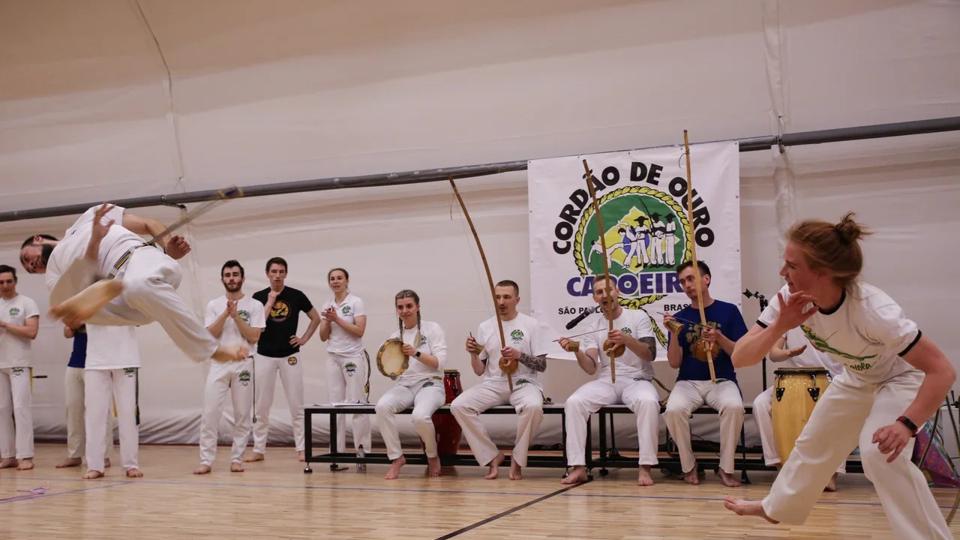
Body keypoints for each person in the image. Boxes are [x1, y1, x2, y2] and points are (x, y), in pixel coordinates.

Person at [723, 213, 954, 539]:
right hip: (858, 377)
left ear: (823, 272)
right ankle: (777, 508)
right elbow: (740, 356)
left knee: (879, 455)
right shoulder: (789, 299)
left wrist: (906, 424)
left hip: (900, 379)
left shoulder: (873, 310)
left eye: (792, 265)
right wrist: (780, 326)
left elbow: (942, 371)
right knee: (814, 442)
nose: (782, 272)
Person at [18, 203, 247, 363]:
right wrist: (95, 240)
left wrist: (168, 247)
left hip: (137, 259)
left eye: (27, 258)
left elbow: (149, 224)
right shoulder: (53, 273)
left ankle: (210, 349)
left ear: (37, 239)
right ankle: (96, 296)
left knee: (138, 286)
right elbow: (84, 273)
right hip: (122, 301)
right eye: (29, 269)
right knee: (66, 304)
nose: (31, 265)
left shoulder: (90, 216)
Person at [558, 275, 659, 486]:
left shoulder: (638, 316)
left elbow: (650, 354)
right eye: (599, 292)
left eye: (608, 290)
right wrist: (576, 351)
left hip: (637, 379)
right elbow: (590, 367)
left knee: (648, 402)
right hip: (607, 381)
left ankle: (645, 466)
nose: (605, 295)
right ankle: (578, 467)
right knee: (574, 402)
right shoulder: (593, 325)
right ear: (595, 298)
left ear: (617, 291)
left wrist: (626, 339)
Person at [662, 260, 747, 487]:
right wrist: (673, 334)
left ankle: (725, 468)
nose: (687, 285)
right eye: (682, 282)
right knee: (673, 410)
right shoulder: (678, 318)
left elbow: (740, 353)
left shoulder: (729, 311)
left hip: (721, 380)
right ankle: (689, 466)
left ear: (706, 279)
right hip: (688, 382)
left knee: (734, 407)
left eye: (691, 279)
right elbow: (674, 362)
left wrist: (720, 338)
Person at [451, 280, 547, 480]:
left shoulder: (531, 324)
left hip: (523, 382)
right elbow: (479, 370)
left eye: (507, 297)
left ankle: (518, 459)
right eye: (497, 297)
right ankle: (492, 456)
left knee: (533, 407)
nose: (501, 302)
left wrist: (519, 355)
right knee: (459, 405)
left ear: (517, 300)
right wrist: (473, 354)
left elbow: (541, 365)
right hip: (494, 383)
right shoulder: (485, 326)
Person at [752, 327, 845, 491]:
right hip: (794, 381)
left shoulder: (833, 318)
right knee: (761, 404)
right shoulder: (791, 319)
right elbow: (773, 354)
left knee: (841, 409)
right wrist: (788, 353)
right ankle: (780, 464)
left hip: (831, 379)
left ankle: (832, 474)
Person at [248, 257, 321, 462]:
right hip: (264, 355)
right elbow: (257, 325)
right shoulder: (258, 297)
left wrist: (303, 339)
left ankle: (302, 448)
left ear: (286, 273)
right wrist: (270, 301)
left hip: (290, 356)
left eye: (281, 271)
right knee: (262, 405)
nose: (277, 275)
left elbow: (316, 318)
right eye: (274, 271)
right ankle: (258, 449)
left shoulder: (296, 295)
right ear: (267, 274)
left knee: (297, 405)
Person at [195, 260, 265, 475]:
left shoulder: (255, 305)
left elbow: (254, 337)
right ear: (222, 279)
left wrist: (236, 317)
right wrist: (226, 314)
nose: (232, 278)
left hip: (244, 363)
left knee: (242, 414)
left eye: (235, 274)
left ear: (242, 278)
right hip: (219, 363)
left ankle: (237, 458)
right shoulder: (214, 305)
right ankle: (206, 460)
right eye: (228, 275)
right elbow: (210, 335)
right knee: (210, 413)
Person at [374, 290, 447, 480]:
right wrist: (389, 368)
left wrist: (416, 353)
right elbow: (393, 371)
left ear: (418, 307)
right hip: (405, 385)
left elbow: (439, 363)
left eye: (409, 306)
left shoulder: (432, 329)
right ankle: (396, 458)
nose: (405, 310)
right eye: (400, 307)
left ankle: (432, 456)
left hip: (430, 384)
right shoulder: (394, 337)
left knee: (420, 416)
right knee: (382, 407)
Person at [318, 268, 372, 462]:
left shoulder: (356, 302)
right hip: (333, 357)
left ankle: (362, 452)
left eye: (339, 278)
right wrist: (327, 321)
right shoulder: (328, 304)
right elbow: (323, 336)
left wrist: (337, 319)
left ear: (346, 280)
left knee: (357, 403)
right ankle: (336, 452)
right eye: (332, 278)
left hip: (352, 357)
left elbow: (359, 331)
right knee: (335, 405)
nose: (335, 281)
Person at [82, 324, 141, 479]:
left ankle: (131, 464)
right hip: (96, 360)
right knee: (94, 415)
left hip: (126, 359)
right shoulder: (89, 305)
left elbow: (139, 319)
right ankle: (95, 465)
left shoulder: (128, 304)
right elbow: (74, 323)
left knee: (128, 414)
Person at [57, 325, 113, 470]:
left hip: (98, 364)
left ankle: (103, 455)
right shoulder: (78, 312)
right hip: (75, 362)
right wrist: (73, 323)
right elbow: (67, 333)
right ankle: (74, 454)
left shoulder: (103, 313)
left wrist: (79, 322)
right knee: (73, 408)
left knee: (99, 411)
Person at [0, 264, 38, 471]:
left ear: (15, 281)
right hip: (1, 363)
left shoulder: (26, 303)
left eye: (9, 281)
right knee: (2, 409)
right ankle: (8, 455)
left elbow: (32, 332)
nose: (5, 285)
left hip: (19, 363)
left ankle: (25, 455)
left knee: (21, 408)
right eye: (1, 282)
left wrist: (5, 325)